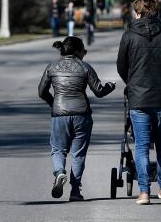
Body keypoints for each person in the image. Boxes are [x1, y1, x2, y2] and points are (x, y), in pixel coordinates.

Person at [117, 0, 161, 205]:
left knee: (142, 147)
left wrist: (133, 84)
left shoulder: (129, 36)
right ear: (156, 12)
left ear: (137, 13)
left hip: (138, 100)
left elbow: (122, 67)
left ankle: (144, 192)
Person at [38, 36, 116, 201]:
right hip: (82, 115)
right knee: (78, 154)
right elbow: (99, 91)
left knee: (58, 149)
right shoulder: (85, 67)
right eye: (84, 51)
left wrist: (53, 103)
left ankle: (60, 173)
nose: (85, 54)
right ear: (78, 51)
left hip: (59, 115)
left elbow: (41, 92)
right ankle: (75, 191)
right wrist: (110, 86)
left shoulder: (52, 67)